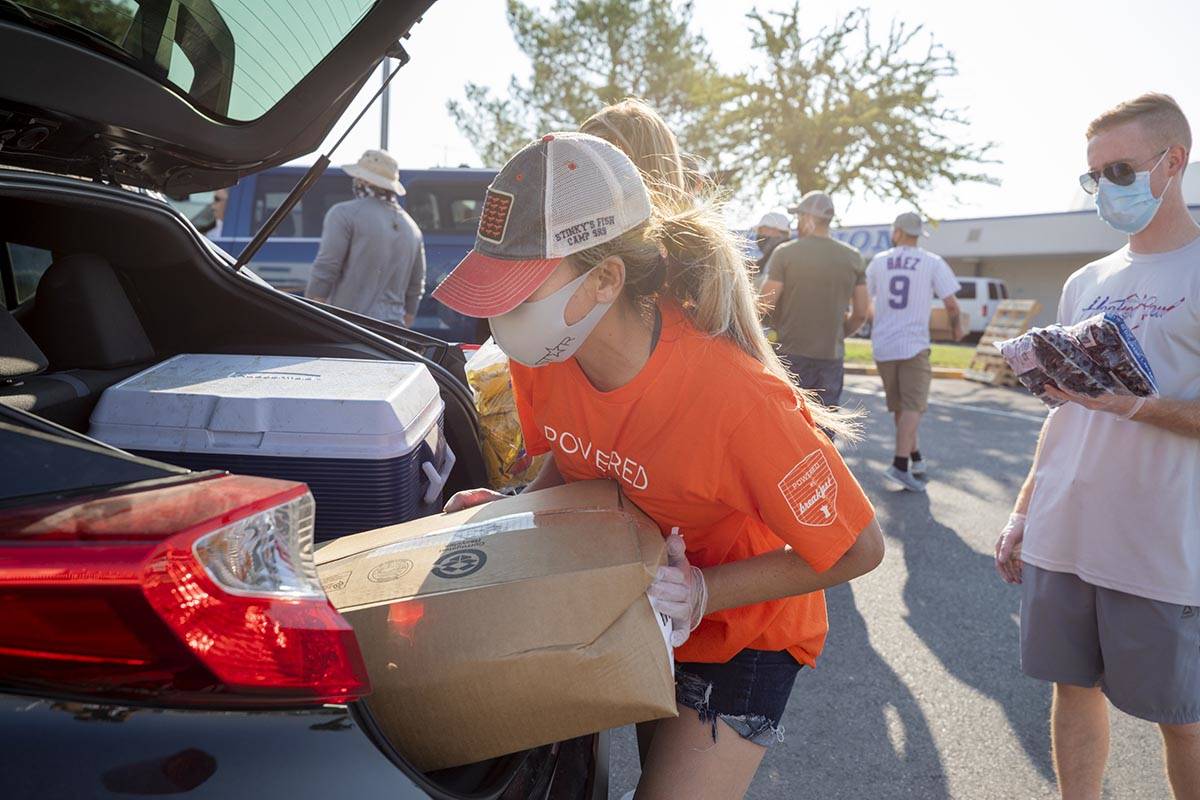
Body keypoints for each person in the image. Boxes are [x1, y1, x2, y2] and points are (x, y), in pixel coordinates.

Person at [432, 131, 884, 800]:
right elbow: (576, 464)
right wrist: (511, 510)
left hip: (744, 629)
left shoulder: (737, 401)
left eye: (520, 294)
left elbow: (858, 548)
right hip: (641, 605)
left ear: (607, 279)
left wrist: (703, 592)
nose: (501, 316)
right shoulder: (546, 357)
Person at [995, 93, 1200, 800]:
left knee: (1183, 718)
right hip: (1065, 530)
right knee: (1072, 688)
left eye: (1120, 169)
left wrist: (1141, 407)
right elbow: (1064, 417)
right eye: (1094, 176)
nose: (1104, 188)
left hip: (1161, 542)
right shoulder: (1086, 281)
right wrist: (1024, 512)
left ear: (1174, 162)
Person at [864, 211, 963, 492]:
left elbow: (866, 300)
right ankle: (899, 465)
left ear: (897, 232)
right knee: (913, 406)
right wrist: (956, 330)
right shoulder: (932, 262)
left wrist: (876, 321)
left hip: (883, 344)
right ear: (918, 234)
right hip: (914, 343)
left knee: (901, 407)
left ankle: (915, 458)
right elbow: (952, 305)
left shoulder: (879, 261)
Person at [760, 190, 868, 410]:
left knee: (789, 426)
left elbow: (765, 304)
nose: (798, 223)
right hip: (831, 358)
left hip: (790, 355)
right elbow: (861, 314)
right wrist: (837, 334)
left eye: (799, 217)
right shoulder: (853, 257)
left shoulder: (786, 253)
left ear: (807, 218)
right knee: (824, 430)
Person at [305, 149, 426, 327]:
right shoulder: (412, 228)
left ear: (364, 180)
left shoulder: (343, 214)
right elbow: (416, 287)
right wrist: (404, 325)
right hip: (394, 332)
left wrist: (313, 314)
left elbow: (326, 267)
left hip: (349, 327)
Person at [752, 210, 790, 290]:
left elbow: (767, 286)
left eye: (762, 230)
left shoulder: (781, 254)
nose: (759, 235)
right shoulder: (777, 252)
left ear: (775, 231)